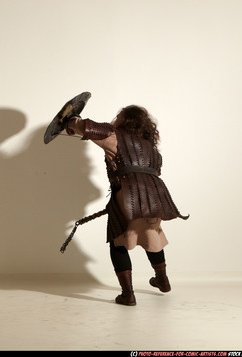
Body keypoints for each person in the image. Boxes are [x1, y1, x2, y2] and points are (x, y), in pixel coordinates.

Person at [64, 105, 188, 306]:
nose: (116, 118)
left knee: (118, 240)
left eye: (119, 116)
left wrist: (71, 122)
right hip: (156, 196)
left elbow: (88, 127)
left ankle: (128, 294)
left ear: (126, 120)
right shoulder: (151, 147)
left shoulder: (115, 136)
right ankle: (163, 281)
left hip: (129, 196)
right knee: (151, 236)